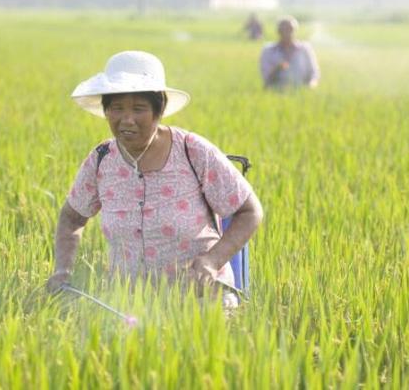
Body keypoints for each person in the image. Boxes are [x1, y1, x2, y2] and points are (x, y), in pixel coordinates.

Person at [46, 51, 264, 307]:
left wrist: (211, 261)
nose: (127, 120)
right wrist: (63, 271)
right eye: (117, 109)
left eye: (139, 109)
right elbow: (72, 217)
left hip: (201, 298)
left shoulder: (193, 151)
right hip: (127, 303)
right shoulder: (101, 159)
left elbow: (249, 212)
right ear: (106, 112)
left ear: (158, 111)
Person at [259, 16, 320, 90]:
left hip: (301, 90)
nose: (286, 32)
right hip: (277, 90)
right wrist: (277, 68)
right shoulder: (268, 50)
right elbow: (266, 78)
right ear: (278, 31)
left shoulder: (304, 49)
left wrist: (311, 86)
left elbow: (314, 73)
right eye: (283, 30)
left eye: (289, 29)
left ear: (295, 30)